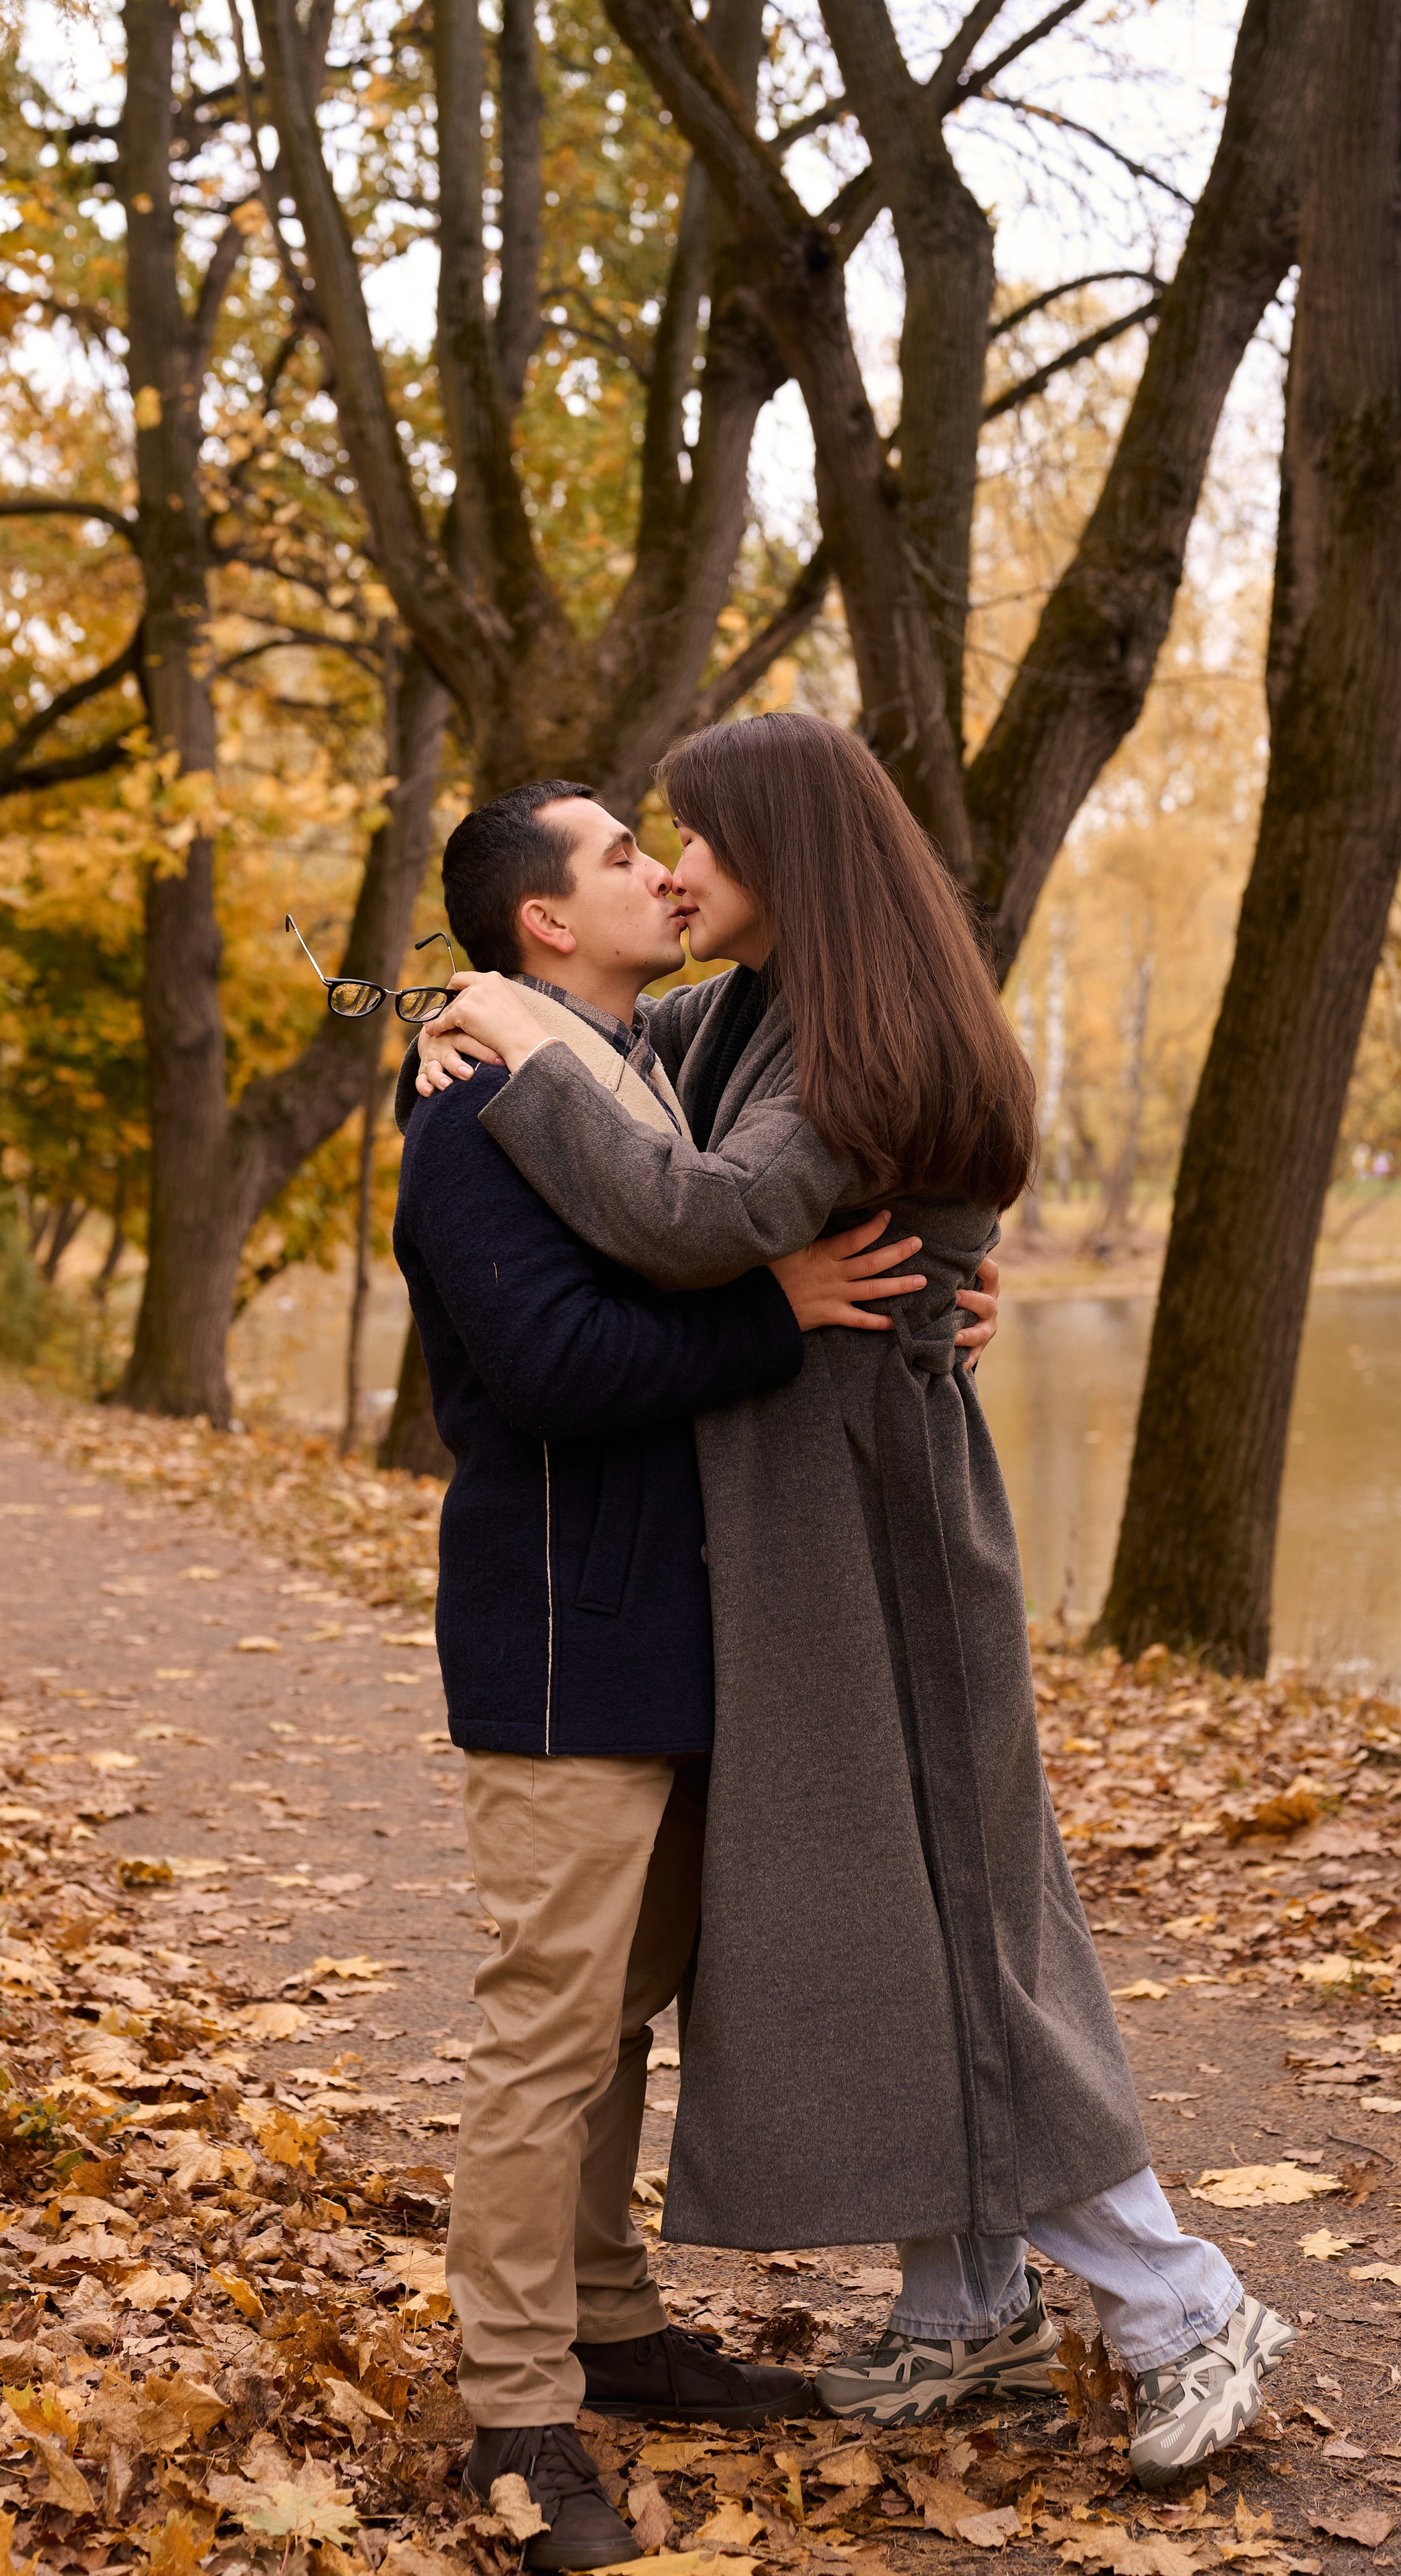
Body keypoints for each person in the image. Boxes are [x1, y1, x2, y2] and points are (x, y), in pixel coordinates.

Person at [416, 712, 1293, 2492]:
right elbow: (597, 1022)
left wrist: (511, 1050)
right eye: (639, 854)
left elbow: (690, 1205)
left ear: (783, 856)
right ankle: (962, 2306)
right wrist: (436, 1005)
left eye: (696, 844)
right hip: (789, 1535)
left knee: (958, 1929)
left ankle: (1183, 2302)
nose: (671, 871)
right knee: (884, 1921)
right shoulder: (744, 1007)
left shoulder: (845, 1040)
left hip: (876, 1532)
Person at [392, 779, 1001, 2571]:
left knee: (624, 2012)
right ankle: (515, 2406)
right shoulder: (477, 1102)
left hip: (689, 1633)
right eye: (616, 859)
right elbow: (555, 1365)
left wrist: (953, 1281)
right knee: (546, 2029)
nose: (664, 871)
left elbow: (872, 1073)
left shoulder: (651, 1055)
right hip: (566, 1628)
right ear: (544, 925)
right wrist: (777, 1308)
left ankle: (608, 2319)